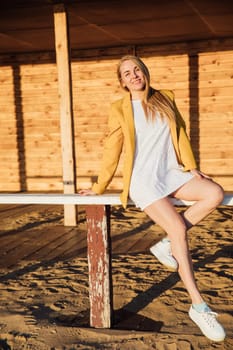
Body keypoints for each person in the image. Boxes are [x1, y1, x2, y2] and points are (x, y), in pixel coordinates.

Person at [79, 55, 226, 342]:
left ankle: (166, 244)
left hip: (171, 173)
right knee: (180, 229)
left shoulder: (164, 98)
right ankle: (198, 305)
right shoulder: (120, 108)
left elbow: (181, 133)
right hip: (143, 180)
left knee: (214, 193)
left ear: (145, 73)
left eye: (137, 70)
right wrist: (99, 187)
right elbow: (113, 149)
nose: (133, 75)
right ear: (121, 81)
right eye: (127, 73)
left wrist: (191, 166)